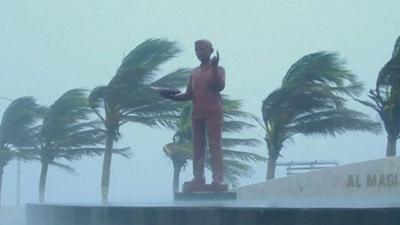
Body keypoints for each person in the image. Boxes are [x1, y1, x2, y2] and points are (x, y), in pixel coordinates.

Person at [173, 39, 226, 191]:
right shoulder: (194, 73)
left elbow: (219, 86)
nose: (199, 52)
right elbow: (189, 94)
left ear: (210, 50)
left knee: (215, 145)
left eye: (202, 49)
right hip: (197, 114)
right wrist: (173, 97)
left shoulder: (219, 69)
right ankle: (198, 177)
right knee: (197, 147)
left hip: (213, 112)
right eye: (196, 50)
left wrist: (214, 68)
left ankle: (218, 178)